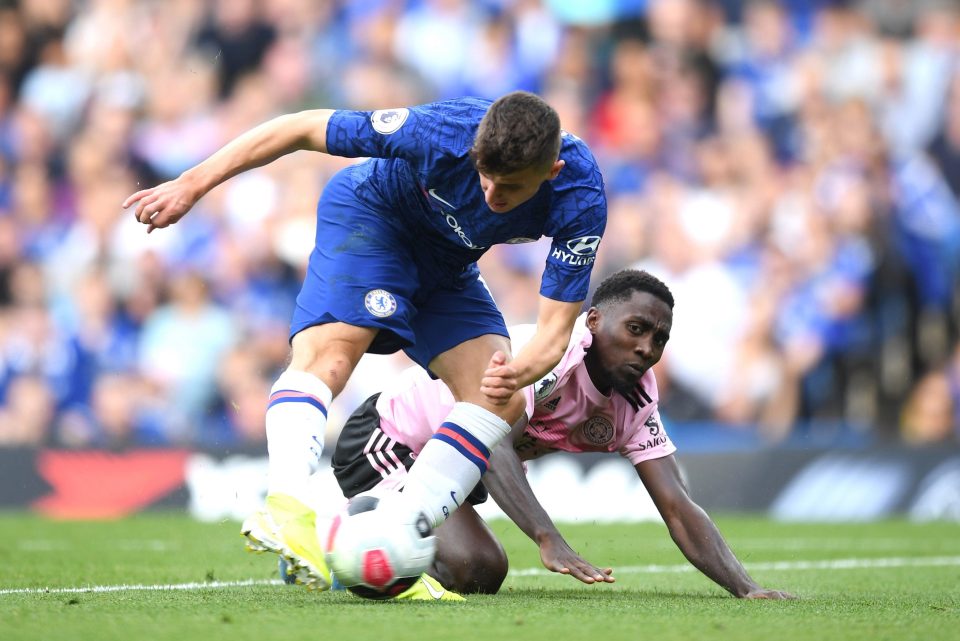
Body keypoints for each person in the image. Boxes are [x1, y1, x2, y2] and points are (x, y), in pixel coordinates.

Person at [122, 91, 607, 592]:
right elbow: (302, 126)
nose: (490, 194)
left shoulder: (581, 197)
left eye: (509, 187)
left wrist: (518, 373)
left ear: (550, 171)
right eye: (484, 174)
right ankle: (287, 510)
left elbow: (553, 331)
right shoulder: (442, 132)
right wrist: (192, 183)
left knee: (497, 398)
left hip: (447, 265)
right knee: (332, 357)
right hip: (373, 216)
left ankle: (397, 536)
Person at [331, 269, 795, 599]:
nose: (645, 348)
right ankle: (344, 540)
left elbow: (677, 506)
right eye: (635, 329)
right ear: (593, 322)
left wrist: (746, 588)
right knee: (473, 565)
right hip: (390, 440)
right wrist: (547, 537)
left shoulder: (634, 400)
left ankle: (360, 544)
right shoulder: (545, 358)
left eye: (658, 339)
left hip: (454, 467)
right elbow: (492, 446)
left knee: (479, 571)